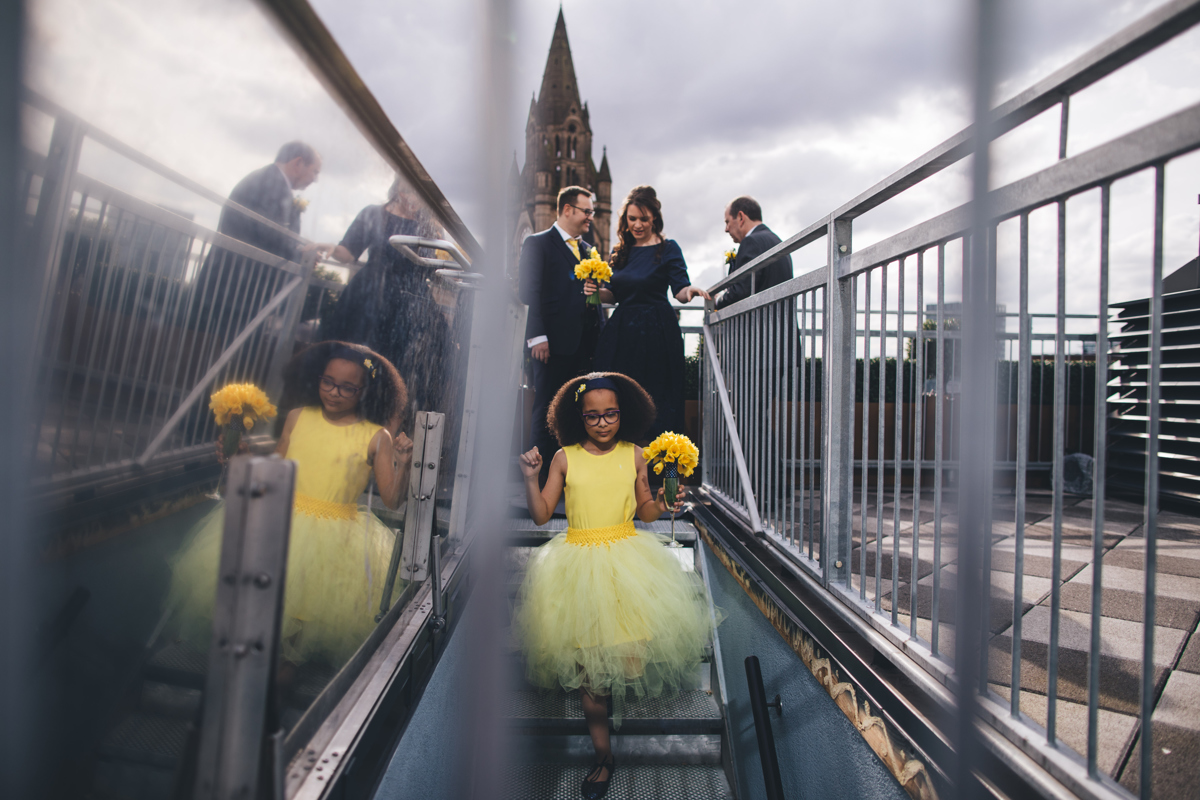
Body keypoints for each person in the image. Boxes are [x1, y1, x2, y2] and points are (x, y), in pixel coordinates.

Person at [514, 372, 716, 800]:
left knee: (623, 661)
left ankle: (607, 742)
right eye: (593, 416)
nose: (603, 423)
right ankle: (603, 755)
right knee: (592, 676)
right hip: (578, 567)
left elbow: (645, 510)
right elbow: (540, 514)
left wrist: (664, 502)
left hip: (626, 564)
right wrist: (530, 478)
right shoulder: (565, 458)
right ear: (579, 417)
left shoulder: (636, 455)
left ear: (624, 413)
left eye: (611, 414)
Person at [166, 341, 412, 669]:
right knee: (252, 631)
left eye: (347, 387)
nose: (335, 392)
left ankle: (274, 701)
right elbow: (273, 473)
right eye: (328, 382)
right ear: (317, 378)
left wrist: (405, 463)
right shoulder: (298, 417)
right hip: (276, 522)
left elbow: (393, 501)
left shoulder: (376, 436)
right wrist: (239, 454)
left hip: (332, 544)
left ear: (364, 390)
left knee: (288, 653)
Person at [320, 177, 453, 416]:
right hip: (369, 298)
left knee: (396, 365)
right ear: (397, 189)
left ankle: (383, 419)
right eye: (407, 191)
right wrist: (329, 249)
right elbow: (348, 252)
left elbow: (431, 270)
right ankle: (346, 413)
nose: (412, 199)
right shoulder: (373, 213)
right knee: (359, 357)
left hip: (409, 302)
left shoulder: (430, 226)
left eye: (418, 195)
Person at [588, 186, 709, 441]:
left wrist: (692, 291)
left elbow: (679, 290)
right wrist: (595, 292)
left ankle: (669, 475)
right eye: (632, 219)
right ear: (625, 220)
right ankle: (626, 471)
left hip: (658, 334)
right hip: (622, 335)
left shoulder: (668, 248)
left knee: (662, 401)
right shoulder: (619, 252)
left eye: (644, 218)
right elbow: (611, 295)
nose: (638, 224)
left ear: (655, 217)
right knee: (620, 397)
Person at [519, 186, 605, 486]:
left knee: (577, 410)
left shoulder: (587, 250)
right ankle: (540, 482)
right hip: (552, 345)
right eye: (586, 211)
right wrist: (536, 337)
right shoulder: (538, 243)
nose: (590, 218)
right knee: (546, 410)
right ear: (567, 209)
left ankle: (570, 479)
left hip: (586, 346)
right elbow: (528, 292)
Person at [715, 196, 793, 310]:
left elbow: (741, 292)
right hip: (783, 323)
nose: (726, 229)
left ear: (741, 217)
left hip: (763, 324)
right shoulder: (776, 240)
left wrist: (718, 300)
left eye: (728, 222)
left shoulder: (750, 242)